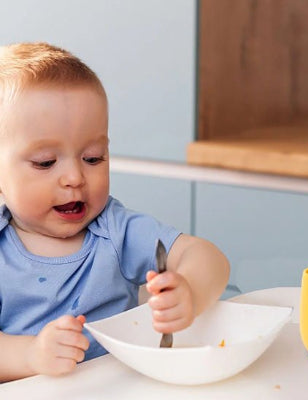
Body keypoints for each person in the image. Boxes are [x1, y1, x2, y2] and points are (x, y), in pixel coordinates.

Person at [0, 42, 230, 382]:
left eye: (93, 158)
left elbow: (207, 256)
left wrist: (189, 292)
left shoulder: (114, 230)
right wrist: (31, 356)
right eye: (45, 162)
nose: (75, 177)